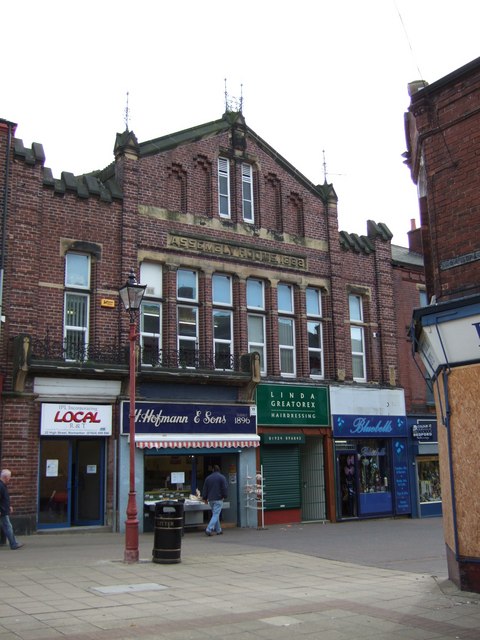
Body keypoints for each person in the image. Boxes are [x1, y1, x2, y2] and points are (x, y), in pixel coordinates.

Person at [0, 469, 24, 550]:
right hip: (2, 511)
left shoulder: (3, 485)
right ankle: (13, 544)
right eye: (10, 477)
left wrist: (9, 506)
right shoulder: (1, 486)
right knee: (8, 527)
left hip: (3, 509)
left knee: (5, 526)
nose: (10, 479)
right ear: (6, 477)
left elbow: (4, 499)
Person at [202, 464, 228, 536]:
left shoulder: (208, 478)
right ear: (219, 470)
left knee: (215, 514)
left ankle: (218, 530)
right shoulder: (222, 478)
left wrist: (204, 498)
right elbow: (224, 488)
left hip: (211, 499)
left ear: (213, 470)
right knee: (216, 514)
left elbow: (205, 489)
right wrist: (224, 496)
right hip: (218, 498)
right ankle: (209, 529)